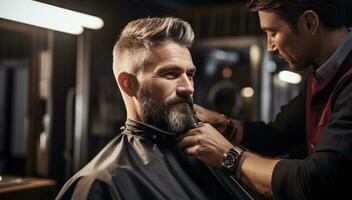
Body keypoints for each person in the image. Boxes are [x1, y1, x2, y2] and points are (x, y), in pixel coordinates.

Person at [56, 17, 256, 200]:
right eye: (170, 74)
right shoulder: (99, 183)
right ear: (128, 84)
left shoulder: (210, 152)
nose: (188, 88)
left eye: (190, 74)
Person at [178, 0, 352, 199]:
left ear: (309, 22)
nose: (270, 47)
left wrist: (228, 155)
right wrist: (228, 126)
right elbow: (279, 134)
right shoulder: (321, 74)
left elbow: (316, 181)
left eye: (273, 33)